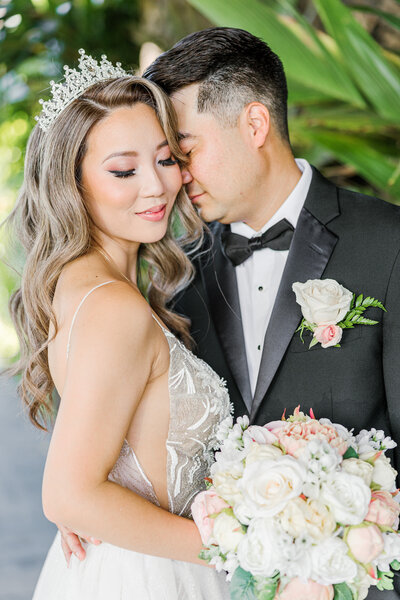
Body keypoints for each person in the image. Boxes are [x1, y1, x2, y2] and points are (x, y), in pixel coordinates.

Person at [60, 29, 400, 598]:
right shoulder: (173, 271)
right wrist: (94, 495)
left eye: (182, 153)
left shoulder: (387, 245)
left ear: (255, 125)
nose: (172, 179)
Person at [8, 50, 230, 599]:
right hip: (152, 576)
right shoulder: (113, 305)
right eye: (124, 171)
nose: (156, 187)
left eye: (166, 159)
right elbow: (70, 496)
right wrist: (236, 545)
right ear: (72, 183)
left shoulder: (87, 284)